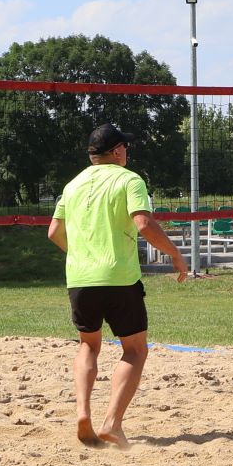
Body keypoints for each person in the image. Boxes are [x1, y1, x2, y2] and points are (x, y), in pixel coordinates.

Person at [46, 124, 189, 447]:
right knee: (135, 349)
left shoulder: (73, 184)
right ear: (117, 151)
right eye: (125, 146)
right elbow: (143, 223)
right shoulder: (129, 179)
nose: (128, 151)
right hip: (120, 278)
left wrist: (82, 253)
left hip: (80, 278)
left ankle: (83, 412)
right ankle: (112, 423)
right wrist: (176, 255)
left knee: (88, 346)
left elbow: (54, 232)